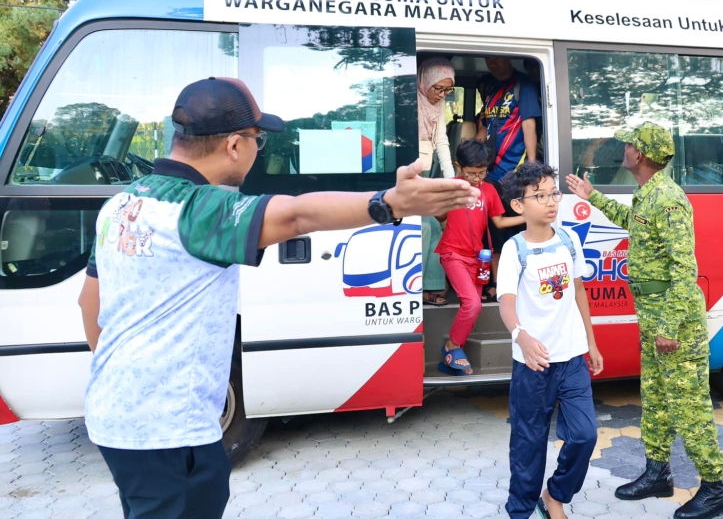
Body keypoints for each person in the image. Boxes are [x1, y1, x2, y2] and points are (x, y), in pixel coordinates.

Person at [78, 77, 478, 519]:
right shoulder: (198, 208)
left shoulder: (121, 205)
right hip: (169, 431)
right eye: (257, 139)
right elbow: (296, 214)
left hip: (114, 418)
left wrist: (128, 388)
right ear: (233, 145)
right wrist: (388, 202)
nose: (258, 149)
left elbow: (88, 305)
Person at [566, 122, 723, 519]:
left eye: (628, 145)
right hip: (653, 316)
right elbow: (633, 221)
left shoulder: (670, 199)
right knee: (655, 400)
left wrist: (670, 326)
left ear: (639, 155)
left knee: (688, 405)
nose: (623, 149)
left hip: (673, 320)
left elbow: (683, 268)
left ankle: (715, 488)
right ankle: (658, 474)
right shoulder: (649, 194)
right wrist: (594, 197)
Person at [497, 161, 602, 519]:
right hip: (533, 363)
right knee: (529, 444)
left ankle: (555, 493)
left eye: (553, 193)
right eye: (539, 196)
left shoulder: (569, 240)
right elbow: (506, 303)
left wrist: (592, 342)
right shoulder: (514, 250)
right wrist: (520, 336)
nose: (550, 202)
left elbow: (578, 291)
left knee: (584, 435)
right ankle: (521, 510)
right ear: (518, 206)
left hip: (572, 357)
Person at [435, 139, 524, 375]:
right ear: (458, 166)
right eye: (471, 173)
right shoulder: (451, 186)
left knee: (474, 309)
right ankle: (452, 345)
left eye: (482, 173)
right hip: (452, 253)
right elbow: (439, 217)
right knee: (472, 304)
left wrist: (530, 218)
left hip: (478, 258)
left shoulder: (489, 190)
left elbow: (500, 222)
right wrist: (452, 197)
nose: (477, 179)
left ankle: (451, 358)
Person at [477, 57, 543, 296]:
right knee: (493, 234)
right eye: (489, 59)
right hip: (491, 173)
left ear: (508, 59)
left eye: (498, 59)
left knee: (518, 234)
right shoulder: (491, 88)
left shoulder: (521, 85)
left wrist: (532, 167)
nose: (493, 63)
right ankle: (497, 284)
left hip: (515, 171)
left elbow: (528, 125)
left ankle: (521, 285)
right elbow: (485, 125)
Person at [418, 57, 457, 306]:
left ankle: (430, 286)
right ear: (425, 82)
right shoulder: (410, 99)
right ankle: (414, 285)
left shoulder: (438, 104)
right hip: (408, 174)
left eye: (447, 90)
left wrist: (451, 178)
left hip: (427, 172)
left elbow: (441, 140)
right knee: (423, 226)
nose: (441, 94)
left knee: (433, 227)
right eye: (438, 88)